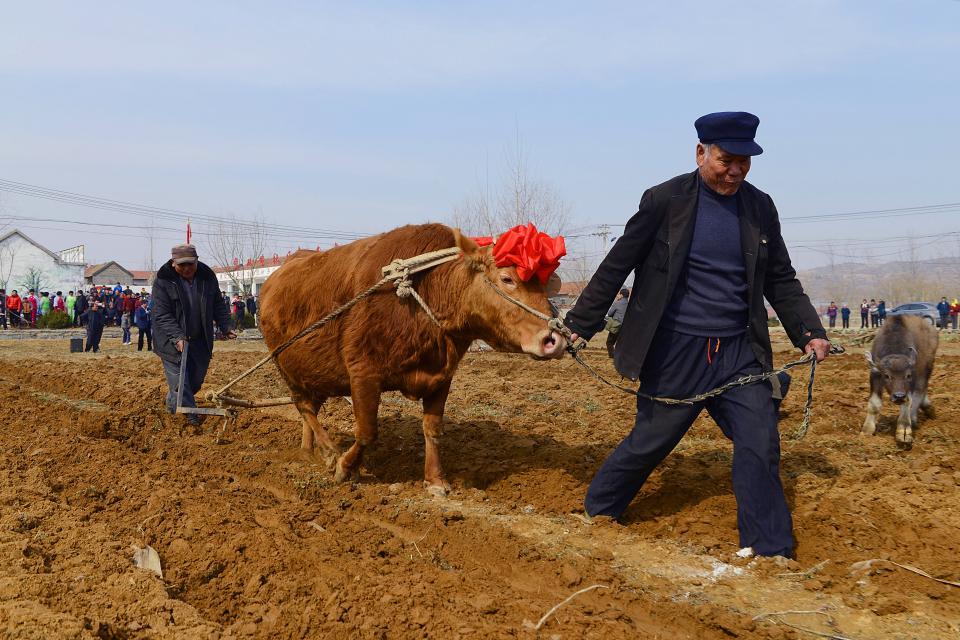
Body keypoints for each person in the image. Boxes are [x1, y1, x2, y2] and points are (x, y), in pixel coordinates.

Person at [563, 112, 830, 559]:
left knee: (760, 442)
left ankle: (768, 553)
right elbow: (617, 265)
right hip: (675, 351)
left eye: (744, 162)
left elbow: (780, 278)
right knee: (649, 443)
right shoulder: (665, 200)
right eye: (727, 159)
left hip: (739, 352)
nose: (736, 170)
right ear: (700, 152)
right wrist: (578, 326)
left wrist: (809, 332)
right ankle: (597, 513)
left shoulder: (760, 208)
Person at [152, 244, 235, 424]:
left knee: (195, 381)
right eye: (182, 265)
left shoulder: (207, 275)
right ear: (174, 263)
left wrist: (226, 325)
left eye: (191, 263)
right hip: (170, 340)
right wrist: (178, 337)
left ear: (197, 260)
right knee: (181, 381)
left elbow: (217, 303)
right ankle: (191, 415)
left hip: (200, 338)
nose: (187, 268)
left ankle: (173, 401)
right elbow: (161, 314)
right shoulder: (163, 280)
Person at [605, 288, 630, 357]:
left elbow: (609, 314)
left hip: (617, 325)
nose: (618, 296)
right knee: (621, 343)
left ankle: (613, 356)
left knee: (609, 342)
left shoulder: (617, 303)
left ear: (621, 295)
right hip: (626, 326)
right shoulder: (630, 305)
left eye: (619, 294)